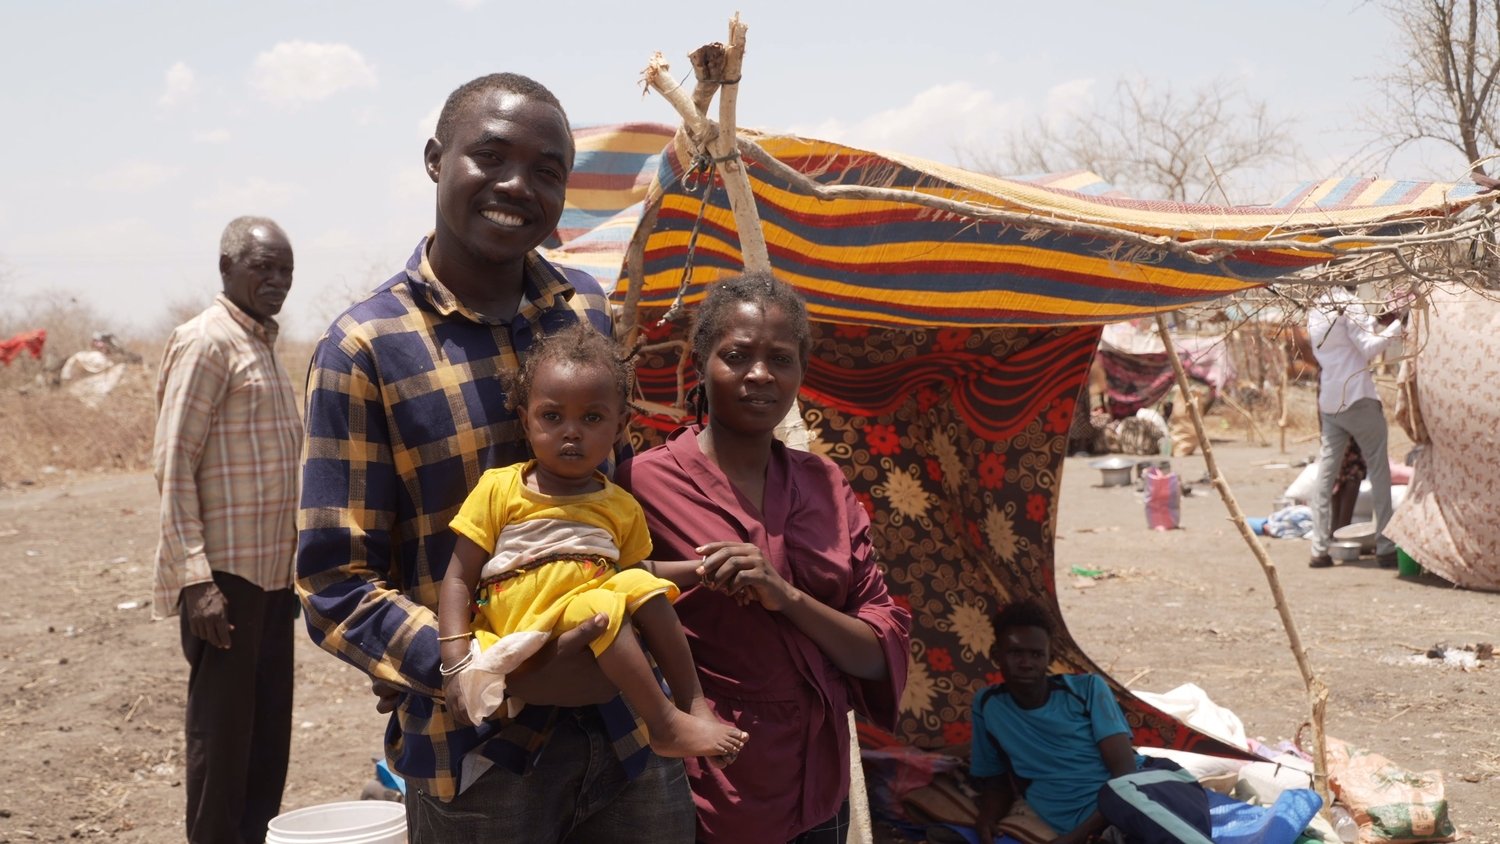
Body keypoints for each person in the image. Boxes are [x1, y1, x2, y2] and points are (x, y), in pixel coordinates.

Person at [296, 73, 695, 842]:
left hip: (627, 736)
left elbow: (613, 493)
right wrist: (469, 666)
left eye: (547, 170)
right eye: (492, 157)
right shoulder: (365, 348)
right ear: (435, 160)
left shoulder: (583, 307)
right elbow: (334, 582)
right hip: (477, 760)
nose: (517, 185)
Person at [615, 272, 912, 843]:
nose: (760, 374)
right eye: (737, 356)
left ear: (801, 371)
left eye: (780, 359)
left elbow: (879, 649)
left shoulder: (824, 483)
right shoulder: (643, 485)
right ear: (701, 362)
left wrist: (787, 596)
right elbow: (602, 597)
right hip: (711, 785)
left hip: (820, 782)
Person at [436, 322, 746, 762]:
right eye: (552, 417)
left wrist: (699, 570)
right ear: (526, 421)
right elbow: (458, 577)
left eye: (592, 418)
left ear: (620, 426)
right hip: (523, 614)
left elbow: (634, 571)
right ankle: (662, 724)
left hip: (590, 609)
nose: (572, 432)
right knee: (604, 604)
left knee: (646, 589)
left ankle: (693, 704)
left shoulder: (620, 504)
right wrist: (455, 658)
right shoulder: (501, 488)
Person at [152, 216, 300, 844]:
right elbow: (173, 462)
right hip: (225, 581)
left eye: (286, 270)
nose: (278, 280)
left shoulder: (260, 343)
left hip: (272, 577)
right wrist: (195, 579)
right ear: (226, 268)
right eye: (263, 267)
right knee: (222, 743)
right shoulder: (206, 341)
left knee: (266, 740)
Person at [971, 600, 1212, 844]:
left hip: (1152, 793)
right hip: (1101, 824)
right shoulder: (987, 706)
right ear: (996, 655)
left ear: (1050, 658)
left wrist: (1073, 838)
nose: (1026, 664)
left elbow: (1125, 776)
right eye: (1015, 653)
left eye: (1036, 654)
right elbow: (996, 779)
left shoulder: (1086, 690)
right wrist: (987, 818)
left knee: (1116, 795)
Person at [1306, 284, 1405, 569]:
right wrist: (1400, 323)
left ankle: (1319, 549)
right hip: (1357, 398)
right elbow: (1368, 347)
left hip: (1330, 401)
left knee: (1326, 475)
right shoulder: (1349, 303)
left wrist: (1378, 321)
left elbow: (1349, 339)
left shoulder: (1316, 307)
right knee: (1379, 471)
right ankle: (1385, 547)